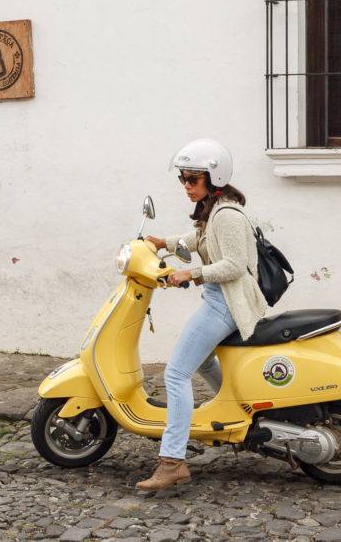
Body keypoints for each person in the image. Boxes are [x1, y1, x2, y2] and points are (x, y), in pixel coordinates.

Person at [137, 138, 267, 491]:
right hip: (219, 299)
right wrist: (163, 242)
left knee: (176, 374)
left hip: (223, 304)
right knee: (203, 362)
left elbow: (234, 265)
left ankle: (172, 461)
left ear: (214, 178)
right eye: (183, 179)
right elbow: (199, 240)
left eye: (193, 179)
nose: (186, 186)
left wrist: (191, 274)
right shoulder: (215, 211)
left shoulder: (225, 215)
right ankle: (238, 407)